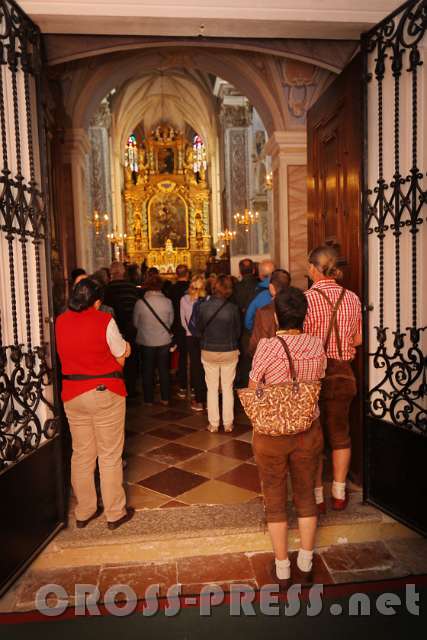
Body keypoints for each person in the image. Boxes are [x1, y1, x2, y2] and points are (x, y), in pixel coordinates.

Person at [250, 287, 326, 585]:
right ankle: (305, 563)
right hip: (308, 429)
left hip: (272, 434)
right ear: (304, 314)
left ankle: (282, 568)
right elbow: (319, 376)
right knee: (306, 494)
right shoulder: (317, 345)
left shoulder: (268, 347)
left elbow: (254, 386)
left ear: (277, 315)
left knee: (275, 498)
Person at [55, 278, 134, 530]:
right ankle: (114, 513)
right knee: (109, 454)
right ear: (96, 301)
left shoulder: (60, 321)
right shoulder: (103, 320)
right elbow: (121, 352)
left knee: (81, 454)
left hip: (73, 393)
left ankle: (84, 510)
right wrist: (124, 353)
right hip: (104, 392)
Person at [304, 245, 362, 512]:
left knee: (313, 438)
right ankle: (339, 493)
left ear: (315, 268)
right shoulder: (352, 298)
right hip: (343, 374)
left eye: (308, 266)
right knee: (341, 435)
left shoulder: (305, 299)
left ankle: (316, 497)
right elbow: (359, 339)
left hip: (314, 374)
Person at [196, 275, 241, 432]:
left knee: (212, 388)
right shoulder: (233, 308)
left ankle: (214, 424)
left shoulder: (202, 307)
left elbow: (198, 329)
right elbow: (238, 332)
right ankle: (228, 423)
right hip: (229, 350)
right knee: (228, 388)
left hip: (209, 351)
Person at [133, 273, 174, 405]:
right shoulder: (167, 302)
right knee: (163, 369)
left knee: (148, 370)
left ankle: (148, 399)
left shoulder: (140, 303)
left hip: (146, 341)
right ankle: (165, 398)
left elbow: (135, 323)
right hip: (163, 341)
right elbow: (170, 321)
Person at [104, 262, 139, 398]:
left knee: (115, 357)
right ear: (123, 273)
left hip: (114, 326)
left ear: (111, 274)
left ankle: (118, 386)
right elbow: (136, 305)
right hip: (130, 326)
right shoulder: (131, 287)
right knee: (131, 358)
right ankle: (131, 388)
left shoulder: (107, 288)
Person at [249, 269, 291, 355]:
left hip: (270, 357)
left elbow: (255, 342)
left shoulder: (263, 312)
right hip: (291, 354)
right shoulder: (296, 306)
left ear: (271, 287)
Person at [180, 275, 207, 411]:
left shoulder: (184, 299)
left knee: (196, 368)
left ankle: (199, 400)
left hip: (191, 336)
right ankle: (209, 398)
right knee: (207, 367)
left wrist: (190, 330)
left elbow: (183, 321)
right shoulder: (207, 300)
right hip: (205, 336)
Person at [233, 258, 260, 388]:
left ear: (240, 271)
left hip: (242, 328)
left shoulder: (236, 287)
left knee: (244, 358)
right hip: (259, 327)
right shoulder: (260, 286)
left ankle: (245, 386)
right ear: (254, 270)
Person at [168, 264, 190, 398]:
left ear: (177, 274)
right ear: (187, 274)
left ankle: (182, 386)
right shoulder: (192, 287)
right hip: (192, 327)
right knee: (194, 357)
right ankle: (193, 387)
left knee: (182, 356)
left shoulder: (172, 289)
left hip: (177, 326)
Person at [244, 259, 276, 332]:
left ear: (260, 275)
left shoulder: (255, 293)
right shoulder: (283, 287)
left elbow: (248, 321)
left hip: (262, 334)